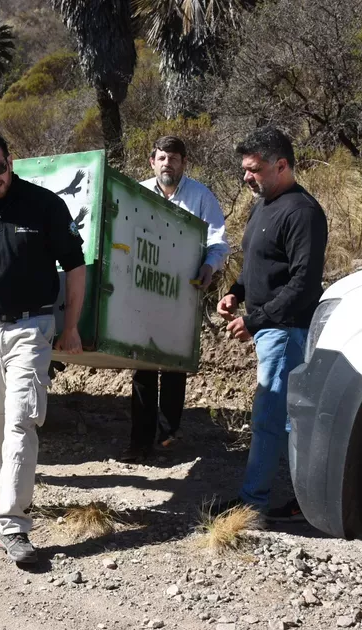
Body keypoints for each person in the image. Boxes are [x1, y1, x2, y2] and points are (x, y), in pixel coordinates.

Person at [0, 133, 87, 565]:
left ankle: (13, 522)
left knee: (21, 421)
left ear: (11, 162)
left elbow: (75, 266)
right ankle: (4, 495)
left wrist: (70, 326)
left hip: (31, 327)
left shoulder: (45, 205)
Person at [216, 126, 328, 523]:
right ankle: (302, 501)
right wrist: (236, 292)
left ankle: (254, 505)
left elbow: (303, 284)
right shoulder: (263, 204)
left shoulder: (303, 212)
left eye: (254, 169)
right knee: (282, 420)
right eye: (245, 169)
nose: (246, 177)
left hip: (286, 330)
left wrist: (255, 320)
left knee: (269, 419)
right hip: (270, 328)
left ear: (281, 166)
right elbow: (258, 263)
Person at [125, 136, 229, 463]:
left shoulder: (201, 197)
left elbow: (218, 242)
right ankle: (140, 444)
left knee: (173, 363)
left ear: (184, 163)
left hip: (183, 292)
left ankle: (168, 434)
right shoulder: (138, 193)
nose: (167, 163)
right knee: (143, 365)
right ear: (152, 162)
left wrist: (209, 267)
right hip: (144, 292)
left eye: (173, 158)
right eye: (162, 158)